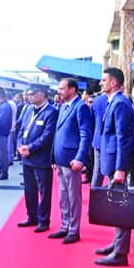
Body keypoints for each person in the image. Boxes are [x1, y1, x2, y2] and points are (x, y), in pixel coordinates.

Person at [94, 67, 134, 267]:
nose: (100, 83)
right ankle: (117, 244)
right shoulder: (115, 102)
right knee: (117, 204)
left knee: (121, 206)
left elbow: (123, 138)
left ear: (113, 83)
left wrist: (121, 168)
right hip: (112, 159)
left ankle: (120, 253)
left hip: (117, 162)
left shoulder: (120, 103)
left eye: (104, 80)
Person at [49, 78, 92, 244]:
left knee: (74, 196)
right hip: (60, 159)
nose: (59, 91)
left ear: (73, 90)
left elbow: (85, 134)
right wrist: (53, 156)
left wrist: (80, 158)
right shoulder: (62, 106)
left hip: (72, 159)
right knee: (63, 196)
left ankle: (74, 230)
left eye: (62, 88)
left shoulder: (80, 107)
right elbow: (57, 133)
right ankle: (64, 225)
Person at [16, 86, 57, 233]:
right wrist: (20, 145)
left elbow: (47, 136)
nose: (29, 97)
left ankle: (43, 220)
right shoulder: (28, 109)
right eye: (28, 94)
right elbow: (21, 129)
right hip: (26, 157)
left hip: (41, 157)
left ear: (42, 94)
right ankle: (31, 216)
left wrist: (30, 148)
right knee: (29, 189)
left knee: (44, 191)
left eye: (32, 94)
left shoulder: (51, 112)